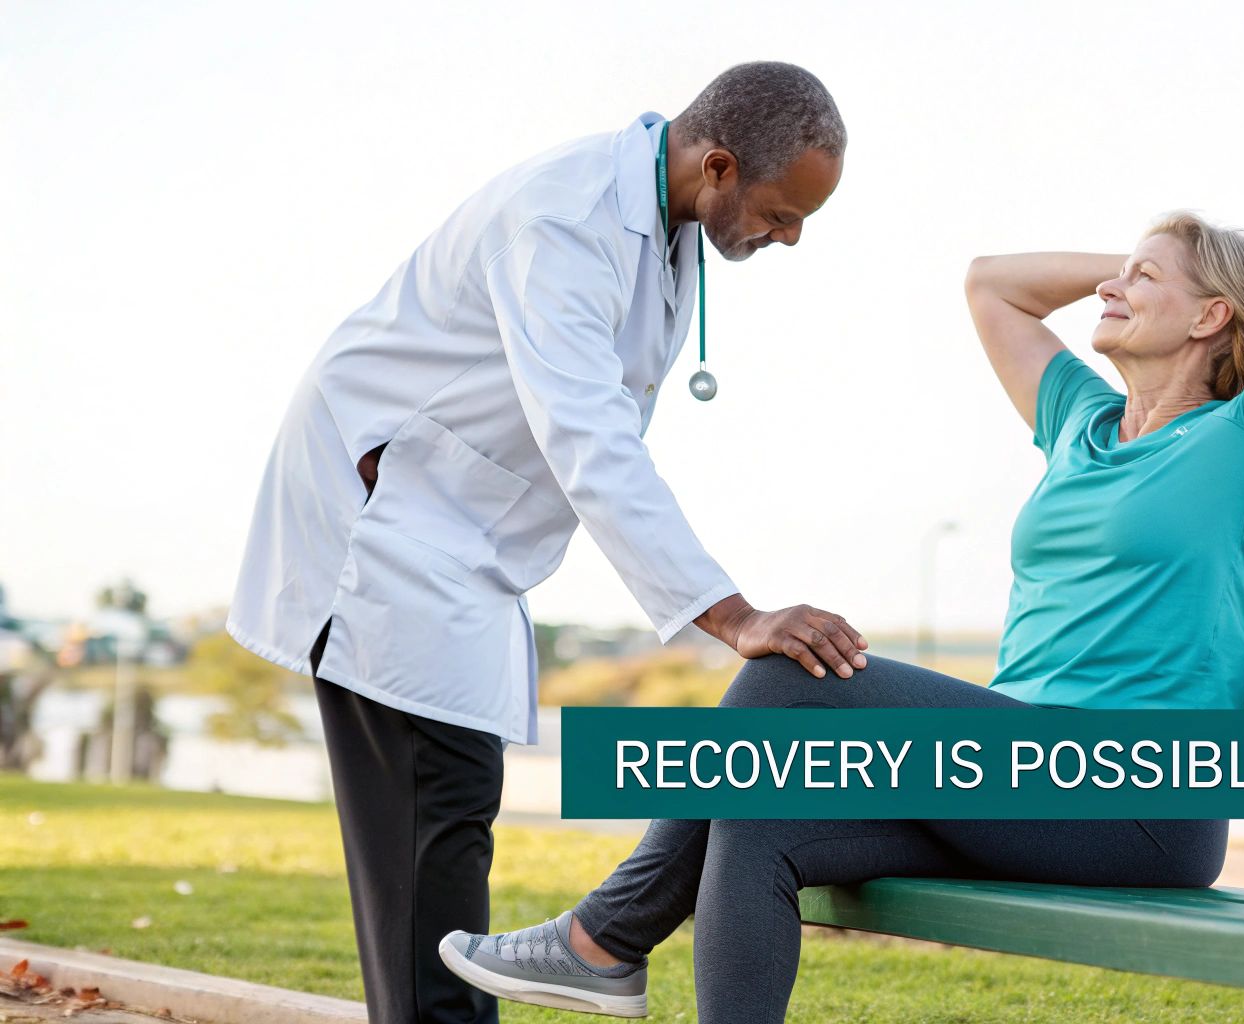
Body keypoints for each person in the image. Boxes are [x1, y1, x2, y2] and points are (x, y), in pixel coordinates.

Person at [438, 203, 1244, 1022]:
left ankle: (605, 937)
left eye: (1144, 282)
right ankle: (605, 947)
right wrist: (1139, 263)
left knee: (787, 671)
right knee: (761, 813)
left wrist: (1206, 259)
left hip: (1141, 795)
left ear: (1213, 316)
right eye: (1119, 275)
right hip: (1021, 776)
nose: (1108, 288)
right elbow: (994, 283)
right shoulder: (1081, 423)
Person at [226, 62, 865, 1024]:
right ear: (720, 167)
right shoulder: (563, 222)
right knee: (428, 816)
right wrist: (731, 616)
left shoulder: (663, 219)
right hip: (380, 527)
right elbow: (588, 436)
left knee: (449, 806)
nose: (791, 238)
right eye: (782, 214)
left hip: (457, 535)